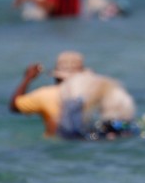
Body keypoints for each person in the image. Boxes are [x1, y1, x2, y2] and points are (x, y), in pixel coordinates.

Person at [9, 50, 137, 138]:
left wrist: (28, 78)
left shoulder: (46, 95)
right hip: (94, 137)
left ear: (57, 76)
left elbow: (14, 106)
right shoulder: (94, 91)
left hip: (58, 145)